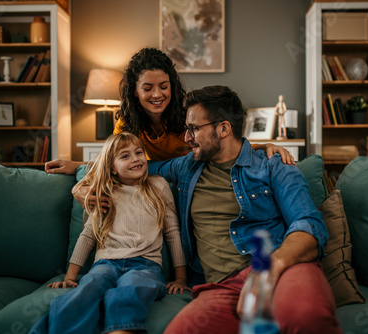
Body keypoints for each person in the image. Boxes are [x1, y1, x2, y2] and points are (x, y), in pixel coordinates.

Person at [143, 86, 343, 333]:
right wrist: (86, 172)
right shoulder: (186, 167)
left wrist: (271, 268)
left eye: (194, 129)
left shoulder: (274, 165)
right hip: (222, 287)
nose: (186, 138)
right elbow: (136, 166)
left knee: (306, 317)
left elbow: (310, 226)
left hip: (283, 269)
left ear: (223, 128)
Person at [45, 48, 296, 176]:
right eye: (148, 88)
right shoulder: (127, 122)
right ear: (134, 91)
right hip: (152, 179)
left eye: (164, 86)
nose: (157, 95)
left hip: (191, 179)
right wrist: (78, 167)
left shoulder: (188, 114)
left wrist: (263, 147)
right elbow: (115, 161)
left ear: (172, 86)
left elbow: (221, 144)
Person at [29, 132, 188, 334]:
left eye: (139, 152)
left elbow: (173, 233)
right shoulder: (105, 193)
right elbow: (88, 235)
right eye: (125, 156)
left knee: (132, 287)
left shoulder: (159, 186)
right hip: (106, 262)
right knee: (90, 287)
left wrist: (181, 278)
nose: (136, 158)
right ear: (112, 168)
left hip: (145, 264)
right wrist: (70, 276)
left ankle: (120, 330)